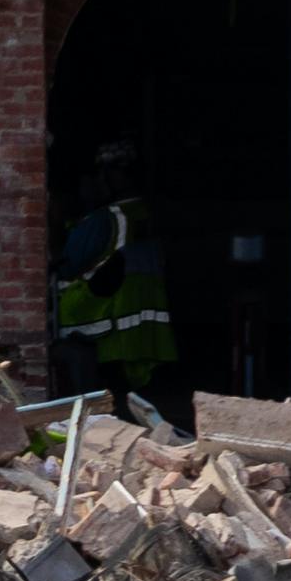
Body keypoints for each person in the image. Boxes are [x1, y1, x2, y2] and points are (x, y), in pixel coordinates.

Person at [55, 147, 189, 434]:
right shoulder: (146, 214)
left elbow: (66, 267)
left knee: (109, 412)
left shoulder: (105, 220)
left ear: (109, 177)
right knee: (138, 408)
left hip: (103, 325)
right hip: (143, 330)